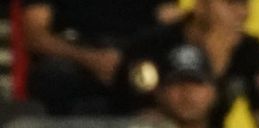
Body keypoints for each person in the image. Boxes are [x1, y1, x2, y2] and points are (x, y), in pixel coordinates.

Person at [117, 0, 259, 128]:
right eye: (231, 3)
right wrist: (214, 67)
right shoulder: (151, 47)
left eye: (245, 3)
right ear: (201, 6)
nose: (243, 13)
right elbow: (127, 116)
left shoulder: (250, 50)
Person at [20, 0, 179, 115]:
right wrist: (91, 59)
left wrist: (129, 60)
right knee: (54, 75)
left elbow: (172, 24)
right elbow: (34, 37)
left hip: (136, 55)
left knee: (171, 77)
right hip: (74, 54)